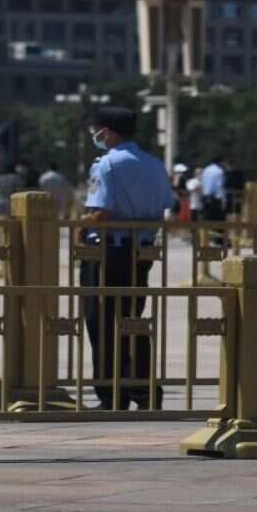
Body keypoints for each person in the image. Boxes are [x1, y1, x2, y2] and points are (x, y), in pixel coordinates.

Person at [80, 106, 176, 410]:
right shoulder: (154, 164)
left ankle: (112, 394)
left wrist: (77, 225)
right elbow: (165, 206)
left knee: (102, 322)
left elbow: (100, 212)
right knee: (133, 320)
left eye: (96, 130)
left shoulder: (106, 164)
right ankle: (145, 392)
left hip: (107, 251)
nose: (95, 136)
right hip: (141, 252)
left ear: (106, 132)